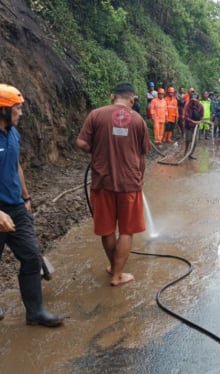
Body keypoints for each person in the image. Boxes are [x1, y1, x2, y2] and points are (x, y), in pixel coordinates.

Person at [0, 83, 63, 327]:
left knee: (31, 257)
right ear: (2, 110)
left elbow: (15, 166)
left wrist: (26, 199)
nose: (21, 112)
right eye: (17, 108)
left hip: (16, 207)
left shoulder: (13, 132)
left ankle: (35, 312)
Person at [75, 83, 151, 286]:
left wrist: (96, 152)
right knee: (126, 230)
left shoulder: (96, 115)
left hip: (102, 182)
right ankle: (118, 274)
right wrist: (139, 179)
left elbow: (81, 143)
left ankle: (113, 268)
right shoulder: (138, 120)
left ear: (112, 97)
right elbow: (142, 156)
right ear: (132, 100)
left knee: (107, 229)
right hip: (129, 183)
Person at [182, 92, 204, 159]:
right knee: (188, 139)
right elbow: (186, 117)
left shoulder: (201, 106)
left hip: (196, 126)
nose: (193, 102)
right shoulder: (188, 106)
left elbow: (202, 116)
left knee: (195, 141)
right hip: (188, 125)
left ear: (198, 100)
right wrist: (193, 121)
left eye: (195, 100)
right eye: (192, 100)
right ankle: (186, 151)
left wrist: (200, 121)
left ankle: (191, 154)